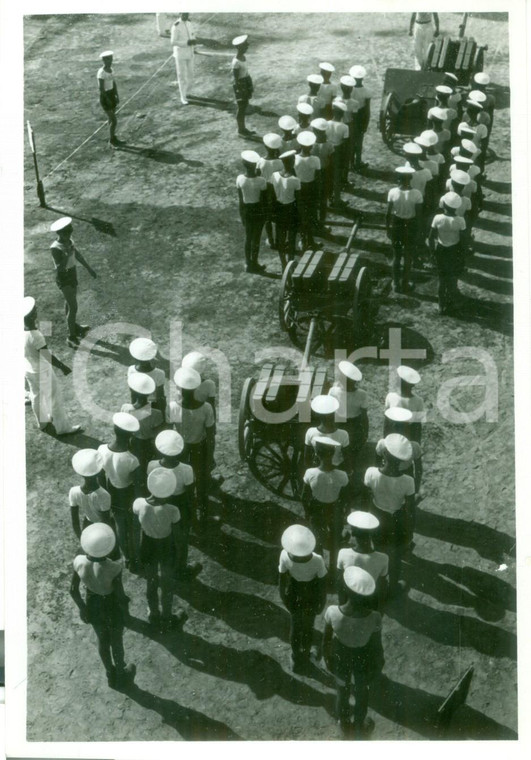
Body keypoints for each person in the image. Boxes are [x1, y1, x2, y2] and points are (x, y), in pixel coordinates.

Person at [70, 524, 135, 688]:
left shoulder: (79, 561)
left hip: (93, 603)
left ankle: (110, 674)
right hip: (111, 604)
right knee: (116, 641)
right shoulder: (114, 567)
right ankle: (121, 673)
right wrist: (125, 610)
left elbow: (73, 590)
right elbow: (120, 595)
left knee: (102, 640)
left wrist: (83, 608)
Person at [323, 566, 384, 736]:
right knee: (362, 690)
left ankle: (343, 722)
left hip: (340, 656)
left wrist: (327, 658)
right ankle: (359, 724)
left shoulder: (332, 612)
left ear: (345, 591)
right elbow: (376, 645)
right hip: (362, 657)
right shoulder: (374, 617)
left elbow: (326, 640)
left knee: (342, 691)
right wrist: (379, 661)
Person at [133, 468, 188, 630]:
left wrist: (137, 551)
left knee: (151, 582)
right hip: (166, 547)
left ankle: (154, 613)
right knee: (166, 584)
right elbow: (178, 536)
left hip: (147, 546)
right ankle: (167, 617)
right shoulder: (172, 510)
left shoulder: (139, 504)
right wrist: (179, 556)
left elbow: (135, 530)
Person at [364, 434, 415, 594]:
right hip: (396, 520)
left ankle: (378, 585)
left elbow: (365, 500)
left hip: (376, 517)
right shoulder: (408, 481)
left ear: (384, 454)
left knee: (378, 551)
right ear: (402, 460)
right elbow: (410, 509)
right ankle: (393, 586)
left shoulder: (371, 473)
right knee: (395, 555)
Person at [24, 296, 82, 435]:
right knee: (54, 398)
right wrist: (62, 366)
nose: (37, 310)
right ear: (33, 315)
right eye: (35, 310)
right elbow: (46, 355)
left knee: (36, 396)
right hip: (42, 370)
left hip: (28, 370)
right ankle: (63, 428)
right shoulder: (36, 335)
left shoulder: (21, 331)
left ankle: (42, 423)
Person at [147, 430, 201, 579]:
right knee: (181, 540)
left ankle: (167, 566)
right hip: (180, 504)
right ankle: (181, 569)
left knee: (166, 536)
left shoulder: (151, 466)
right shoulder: (186, 469)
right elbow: (191, 495)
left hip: (160, 504)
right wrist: (193, 516)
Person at [167, 367, 216, 522]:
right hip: (199, 448)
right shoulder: (206, 408)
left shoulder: (173, 407)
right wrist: (210, 455)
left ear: (180, 388)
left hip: (180, 449)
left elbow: (169, 432)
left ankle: (187, 512)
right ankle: (202, 511)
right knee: (201, 480)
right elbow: (210, 434)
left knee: (182, 480)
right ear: (196, 388)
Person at [278, 524, 327, 673]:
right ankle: (305, 656)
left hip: (293, 593)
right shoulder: (317, 560)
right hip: (310, 595)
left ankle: (295, 658)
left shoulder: (284, 555)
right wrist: (321, 603)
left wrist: (285, 600)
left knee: (295, 626)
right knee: (307, 627)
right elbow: (322, 584)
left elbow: (281, 581)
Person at [98, 412, 143, 569]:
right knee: (135, 528)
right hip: (129, 495)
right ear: (130, 436)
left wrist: (106, 497)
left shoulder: (102, 450)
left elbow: (101, 478)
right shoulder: (131, 459)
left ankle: (127, 558)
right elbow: (137, 486)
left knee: (121, 528)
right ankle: (136, 557)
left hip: (113, 493)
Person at [302, 436, 349, 574]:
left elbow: (304, 496)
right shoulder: (342, 475)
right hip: (335, 509)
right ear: (333, 453)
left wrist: (308, 512)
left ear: (316, 453)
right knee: (335, 540)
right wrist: (344, 510)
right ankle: (334, 569)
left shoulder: (310, 473)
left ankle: (320, 569)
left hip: (317, 509)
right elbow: (346, 496)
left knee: (317, 539)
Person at [49, 217, 97, 348]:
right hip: (64, 277)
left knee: (69, 302)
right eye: (66, 233)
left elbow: (77, 255)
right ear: (59, 233)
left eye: (70, 232)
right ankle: (71, 337)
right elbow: (59, 268)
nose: (69, 235)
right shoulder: (55, 248)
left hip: (72, 273)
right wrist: (67, 254)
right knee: (73, 307)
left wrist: (89, 268)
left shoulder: (69, 241)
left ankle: (74, 326)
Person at [337, 512, 389, 608]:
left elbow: (340, 580)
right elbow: (381, 584)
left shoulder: (343, 553)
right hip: (369, 599)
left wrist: (341, 602)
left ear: (352, 533)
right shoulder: (384, 558)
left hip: (348, 599)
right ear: (372, 534)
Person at [429, 191, 468, 315]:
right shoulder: (460, 221)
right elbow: (463, 240)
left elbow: (430, 237)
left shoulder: (437, 218)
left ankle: (441, 305)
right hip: (454, 251)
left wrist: (432, 252)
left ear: (444, 205)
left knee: (442, 279)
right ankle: (451, 302)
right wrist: (463, 255)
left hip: (441, 250)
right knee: (452, 278)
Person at [386, 165, 423, 293]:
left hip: (396, 224)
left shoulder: (392, 192)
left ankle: (395, 284)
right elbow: (418, 216)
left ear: (399, 179)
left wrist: (388, 229)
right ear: (411, 178)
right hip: (411, 225)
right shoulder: (417, 194)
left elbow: (388, 214)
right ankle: (405, 284)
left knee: (396, 256)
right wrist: (418, 231)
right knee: (408, 256)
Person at [121, 373, 164, 477]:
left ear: (132, 392)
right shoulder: (156, 413)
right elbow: (157, 433)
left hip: (133, 442)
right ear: (149, 393)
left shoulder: (125, 408)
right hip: (149, 444)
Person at [328, 360, 369, 459]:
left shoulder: (333, 391)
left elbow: (329, 411)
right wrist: (365, 432)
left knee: (338, 448)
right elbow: (364, 416)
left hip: (339, 423)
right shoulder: (362, 394)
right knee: (351, 449)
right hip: (354, 425)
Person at [69, 449, 113, 540]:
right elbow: (106, 521)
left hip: (88, 523)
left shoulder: (73, 491)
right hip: (102, 528)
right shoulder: (104, 495)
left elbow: (75, 521)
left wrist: (80, 537)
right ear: (99, 472)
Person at [237, 150, 268, 273]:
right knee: (256, 238)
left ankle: (248, 263)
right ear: (255, 165)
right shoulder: (261, 181)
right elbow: (263, 200)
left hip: (246, 210)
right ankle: (254, 262)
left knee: (248, 237)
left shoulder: (239, 179)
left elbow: (240, 200)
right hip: (258, 210)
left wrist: (242, 215)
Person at [271, 150, 301, 269]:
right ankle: (290, 262)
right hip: (291, 209)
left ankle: (284, 264)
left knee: (281, 238)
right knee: (292, 237)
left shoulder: (274, 175)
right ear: (292, 162)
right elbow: (298, 200)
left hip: (279, 208)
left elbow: (272, 194)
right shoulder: (295, 180)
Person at [304, 395, 351, 472]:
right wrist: (349, 472)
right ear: (334, 414)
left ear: (317, 415)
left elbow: (307, 458)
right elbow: (347, 457)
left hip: (318, 467)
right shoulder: (343, 434)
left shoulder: (310, 432)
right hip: (337, 468)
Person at [294, 131, 321, 251]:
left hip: (299, 189)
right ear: (311, 146)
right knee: (310, 214)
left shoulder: (294, 158)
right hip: (311, 188)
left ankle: (303, 240)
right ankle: (309, 241)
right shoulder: (315, 159)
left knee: (301, 215)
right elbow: (318, 176)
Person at [385, 365, 425, 444]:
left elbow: (417, 425)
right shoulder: (391, 397)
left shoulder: (418, 401)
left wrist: (416, 444)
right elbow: (387, 421)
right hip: (394, 434)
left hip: (409, 436)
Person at [127, 338, 166, 417]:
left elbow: (132, 391)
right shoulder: (160, 373)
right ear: (151, 357)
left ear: (135, 357)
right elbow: (160, 395)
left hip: (137, 401)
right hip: (153, 404)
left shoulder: (131, 370)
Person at [257, 133, 283, 250]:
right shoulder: (280, 162)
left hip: (265, 191)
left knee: (267, 217)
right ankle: (278, 239)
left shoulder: (260, 161)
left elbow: (258, 175)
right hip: (277, 190)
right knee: (277, 217)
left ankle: (271, 240)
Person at [310, 118, 334, 229]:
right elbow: (331, 161)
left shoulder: (310, 145)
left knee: (315, 199)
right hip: (325, 173)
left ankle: (314, 221)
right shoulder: (329, 145)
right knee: (323, 199)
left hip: (314, 174)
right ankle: (322, 222)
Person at [97, 51, 124, 148]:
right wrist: (107, 99)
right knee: (114, 120)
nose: (110, 61)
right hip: (105, 97)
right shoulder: (101, 72)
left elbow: (113, 82)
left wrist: (116, 95)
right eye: (108, 59)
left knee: (111, 119)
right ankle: (111, 141)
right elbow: (101, 88)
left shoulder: (111, 69)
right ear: (103, 60)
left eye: (111, 58)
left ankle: (112, 136)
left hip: (112, 94)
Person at [171, 13, 198, 105]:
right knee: (182, 76)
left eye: (187, 13)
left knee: (191, 74)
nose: (186, 15)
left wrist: (194, 46)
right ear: (180, 13)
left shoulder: (189, 23)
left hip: (190, 53)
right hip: (180, 54)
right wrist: (186, 42)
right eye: (184, 13)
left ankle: (188, 92)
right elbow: (173, 42)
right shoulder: (176, 26)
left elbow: (192, 35)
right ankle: (183, 96)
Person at [348, 66, 371, 171]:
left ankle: (352, 162)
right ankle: (357, 162)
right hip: (360, 117)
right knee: (359, 140)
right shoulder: (366, 91)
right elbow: (367, 109)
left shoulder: (349, 90)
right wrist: (366, 122)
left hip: (352, 117)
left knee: (352, 140)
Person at [327, 100, 349, 207]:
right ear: (343, 113)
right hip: (338, 152)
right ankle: (336, 199)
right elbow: (345, 144)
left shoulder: (326, 124)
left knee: (328, 175)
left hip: (327, 152)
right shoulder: (344, 127)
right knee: (336, 177)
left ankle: (329, 198)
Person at [337, 75, 360, 180]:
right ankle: (344, 179)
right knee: (347, 154)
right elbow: (354, 119)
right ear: (351, 89)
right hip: (349, 127)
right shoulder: (355, 103)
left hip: (338, 127)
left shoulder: (336, 100)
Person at [231, 34, 254, 137]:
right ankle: (241, 129)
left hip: (246, 83)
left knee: (244, 107)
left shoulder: (243, 57)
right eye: (245, 45)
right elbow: (236, 79)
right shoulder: (236, 62)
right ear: (240, 47)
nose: (247, 46)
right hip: (241, 85)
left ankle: (243, 128)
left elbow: (246, 73)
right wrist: (240, 90)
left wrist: (250, 84)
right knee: (241, 108)